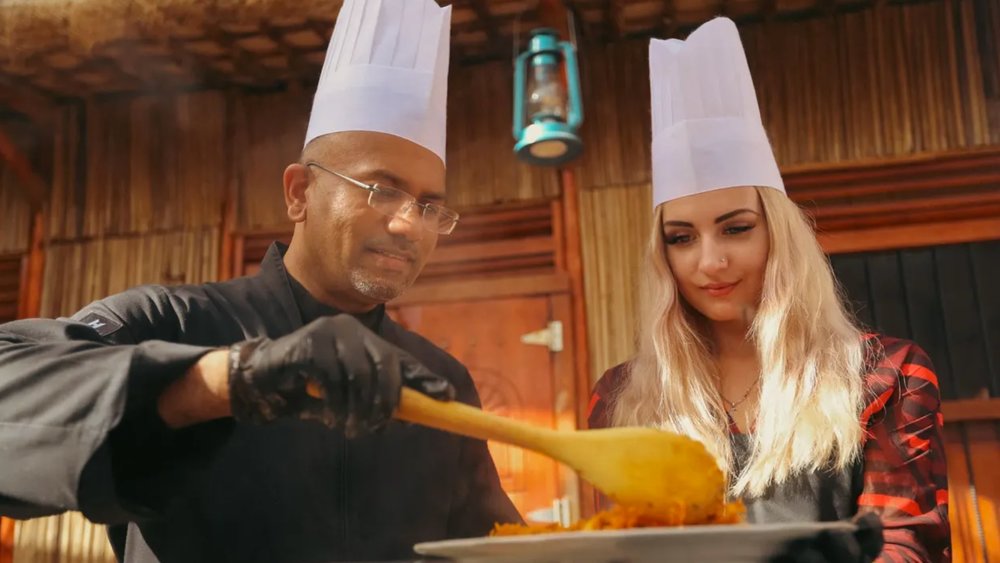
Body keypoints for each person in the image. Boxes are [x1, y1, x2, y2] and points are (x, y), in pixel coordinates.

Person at [0, 1, 521, 561]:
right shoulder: (173, 324)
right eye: (381, 190)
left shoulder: (440, 379)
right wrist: (234, 381)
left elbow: (490, 541)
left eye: (428, 206)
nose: (407, 224)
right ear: (299, 193)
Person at [587, 18, 949, 563]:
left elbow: (907, 542)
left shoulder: (887, 375)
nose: (710, 261)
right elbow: (617, 547)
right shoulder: (619, 400)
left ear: (780, 234)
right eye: (681, 238)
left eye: (736, 228)